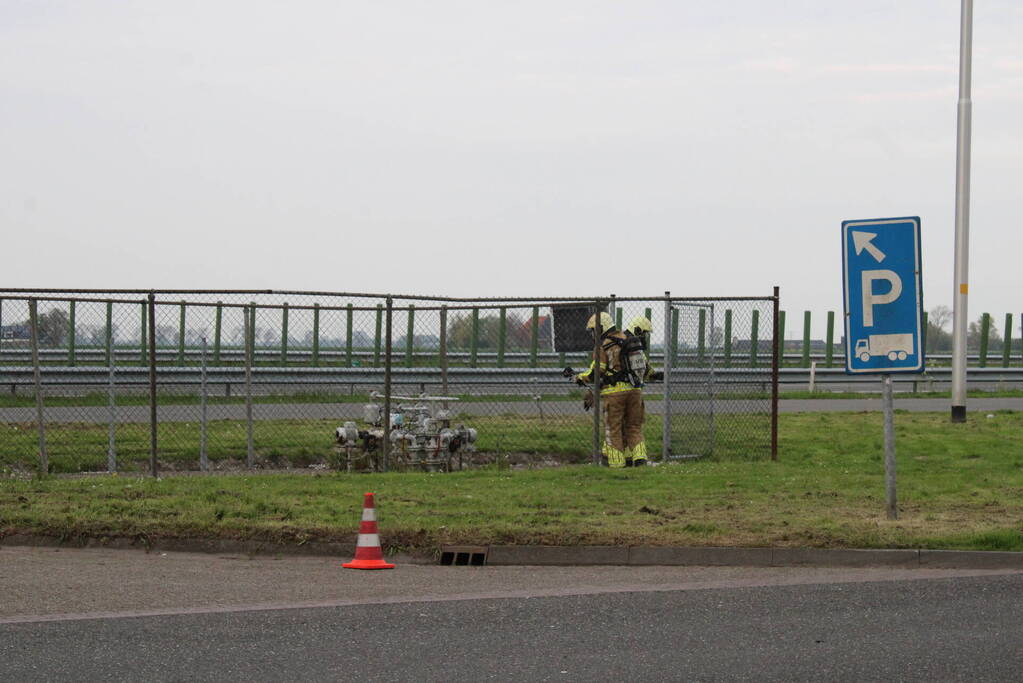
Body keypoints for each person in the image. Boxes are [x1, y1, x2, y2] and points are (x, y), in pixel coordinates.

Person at [573, 312, 647, 468]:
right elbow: (643, 367)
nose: (593, 334)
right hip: (635, 391)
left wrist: (580, 377)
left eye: (594, 330)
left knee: (613, 430)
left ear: (601, 328)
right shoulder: (628, 339)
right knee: (634, 427)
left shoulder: (603, 345)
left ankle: (616, 464)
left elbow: (596, 372)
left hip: (614, 394)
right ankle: (640, 460)